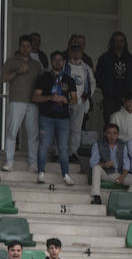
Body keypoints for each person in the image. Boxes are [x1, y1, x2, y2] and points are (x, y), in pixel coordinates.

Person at [33, 49, 78, 184]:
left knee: (63, 148)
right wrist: (50, 97)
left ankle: (66, 175)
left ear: (64, 62)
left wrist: (66, 100)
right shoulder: (43, 78)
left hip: (63, 119)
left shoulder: (69, 80)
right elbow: (35, 97)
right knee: (43, 146)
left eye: (60, 60)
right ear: (51, 62)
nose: (58, 62)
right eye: (55, 60)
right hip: (46, 117)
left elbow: (75, 100)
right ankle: (41, 172)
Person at [3, 36, 40, 171]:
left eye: (28, 46)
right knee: (12, 132)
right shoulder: (12, 61)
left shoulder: (36, 64)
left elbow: (41, 84)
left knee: (33, 135)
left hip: (33, 103)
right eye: (23, 46)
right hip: (17, 101)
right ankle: (9, 161)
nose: (25, 49)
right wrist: (17, 71)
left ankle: (33, 162)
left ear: (31, 47)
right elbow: (2, 78)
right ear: (19, 46)